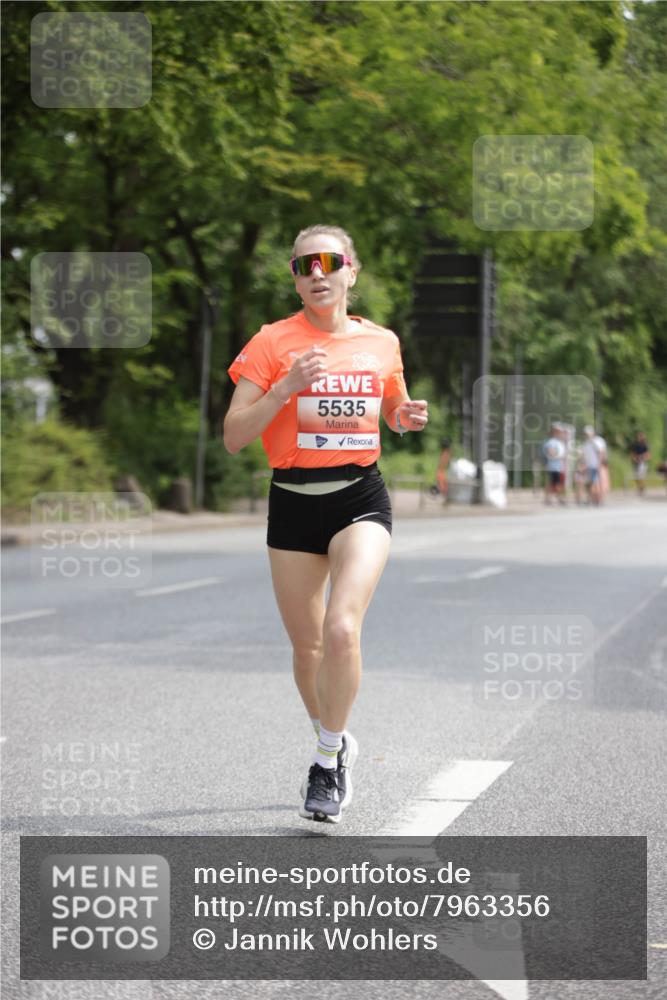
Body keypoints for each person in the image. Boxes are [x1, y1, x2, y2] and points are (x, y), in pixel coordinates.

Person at [223, 224, 428, 823]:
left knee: (341, 629)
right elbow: (235, 436)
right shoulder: (271, 342)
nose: (316, 273)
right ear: (294, 276)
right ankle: (334, 738)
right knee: (308, 646)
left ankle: (325, 758)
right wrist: (286, 386)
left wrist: (404, 416)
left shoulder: (382, 343)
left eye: (329, 261)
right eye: (303, 265)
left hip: (359, 497)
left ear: (351, 272)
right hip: (291, 500)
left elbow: (392, 406)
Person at [541, 424, 566, 506]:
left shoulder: (559, 442)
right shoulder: (551, 442)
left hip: (558, 466)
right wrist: (558, 456)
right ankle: (556, 499)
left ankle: (551, 499)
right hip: (553, 466)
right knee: (554, 483)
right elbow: (550, 452)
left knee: (555, 483)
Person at [582, 425, 606, 506]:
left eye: (588, 434)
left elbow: (601, 453)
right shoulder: (586, 443)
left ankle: (598, 499)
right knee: (591, 483)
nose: (587, 435)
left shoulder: (597, 441)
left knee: (596, 483)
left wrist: (599, 464)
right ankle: (593, 499)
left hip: (596, 465)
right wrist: (584, 465)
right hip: (589, 465)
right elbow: (585, 456)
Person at [629, 431, 651, 496]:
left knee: (641, 476)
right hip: (636, 463)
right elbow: (632, 454)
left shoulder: (645, 445)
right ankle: (640, 488)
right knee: (636, 477)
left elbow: (648, 455)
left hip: (642, 463)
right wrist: (635, 458)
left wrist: (642, 458)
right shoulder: (635, 445)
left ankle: (641, 489)